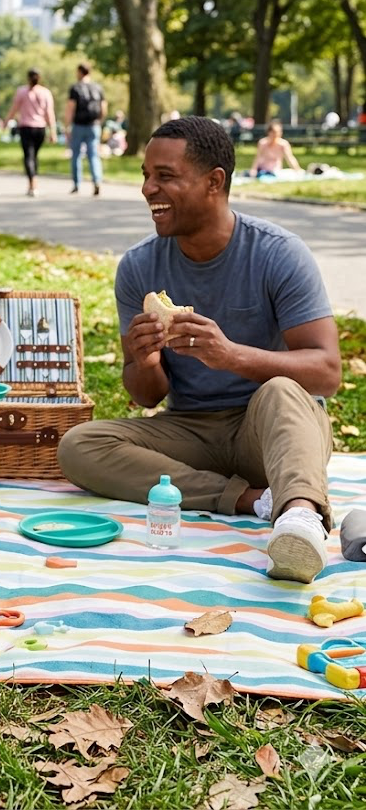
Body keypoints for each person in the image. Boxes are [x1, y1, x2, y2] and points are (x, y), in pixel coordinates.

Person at [57, 116, 340, 584]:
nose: (149, 189)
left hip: (267, 426)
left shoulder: (277, 253)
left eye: (165, 176)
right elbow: (147, 396)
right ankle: (254, 501)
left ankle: (299, 519)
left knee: (283, 390)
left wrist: (230, 355)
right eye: (146, 175)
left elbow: (327, 371)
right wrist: (143, 358)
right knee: (80, 444)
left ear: (214, 183)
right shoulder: (138, 266)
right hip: (191, 432)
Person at [4, 68, 57, 197]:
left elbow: (14, 108)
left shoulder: (22, 91)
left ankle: (32, 182)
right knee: (34, 156)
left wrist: (6, 121)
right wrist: (53, 131)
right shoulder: (45, 93)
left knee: (29, 156)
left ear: (28, 78)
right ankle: (33, 182)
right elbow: (49, 114)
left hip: (26, 127)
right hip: (40, 128)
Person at [65, 62, 106, 197]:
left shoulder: (75, 88)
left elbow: (71, 108)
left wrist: (67, 126)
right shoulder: (98, 88)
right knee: (93, 155)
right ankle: (97, 181)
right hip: (94, 125)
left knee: (76, 155)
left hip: (78, 125)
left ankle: (77, 184)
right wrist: (99, 121)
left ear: (80, 72)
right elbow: (103, 108)